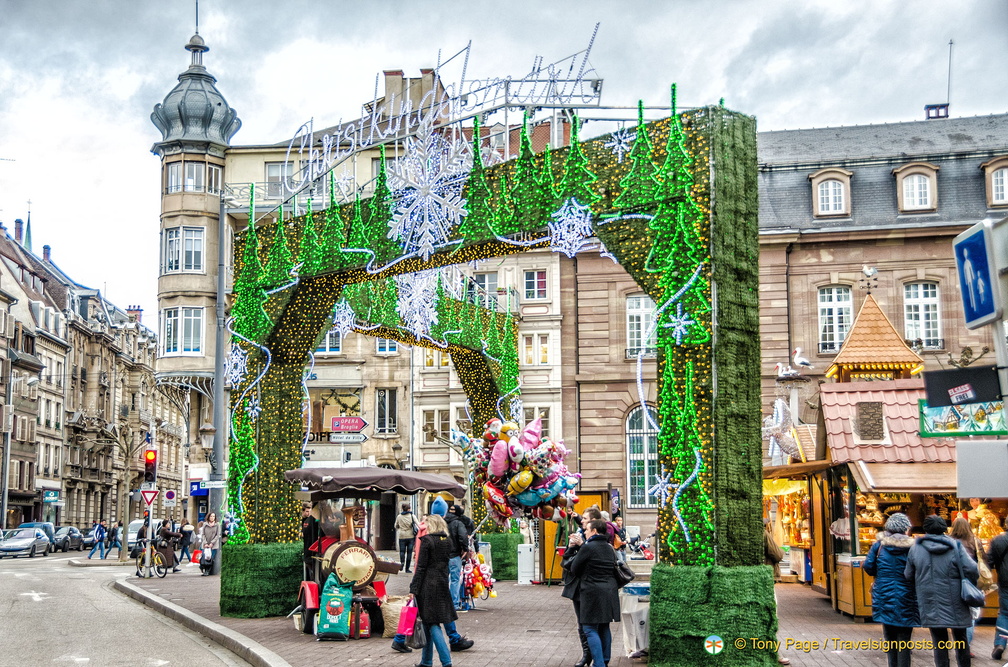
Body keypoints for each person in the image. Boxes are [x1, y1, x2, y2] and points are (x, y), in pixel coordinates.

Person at [905, 514, 977, 667]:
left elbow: (908, 574)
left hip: (929, 599)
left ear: (926, 528)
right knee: (961, 638)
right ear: (944, 528)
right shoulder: (955, 546)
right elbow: (971, 569)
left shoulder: (916, 547)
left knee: (939, 640)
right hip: (956, 598)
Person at [863, 513, 919, 667]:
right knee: (905, 636)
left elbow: (868, 566)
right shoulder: (913, 546)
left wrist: (881, 574)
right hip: (907, 593)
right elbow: (918, 569)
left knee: (889, 633)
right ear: (905, 529)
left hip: (884, 592)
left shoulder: (879, 545)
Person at [569, 518, 620, 667]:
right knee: (604, 626)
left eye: (587, 529)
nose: (585, 531)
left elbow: (574, 568)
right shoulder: (609, 547)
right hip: (609, 590)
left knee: (589, 627)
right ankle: (604, 660)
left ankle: (598, 663)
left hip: (592, 591)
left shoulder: (588, 547)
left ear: (594, 531)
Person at [409, 513, 457, 667]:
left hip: (427, 586)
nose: (426, 527)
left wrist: (413, 588)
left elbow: (421, 567)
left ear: (433, 525)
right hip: (442, 584)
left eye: (428, 524)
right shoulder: (447, 541)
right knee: (427, 623)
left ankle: (446, 661)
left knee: (433, 624)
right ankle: (426, 661)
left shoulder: (427, 541)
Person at [562, 513, 593, 667]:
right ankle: (586, 654)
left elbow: (592, 557)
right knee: (581, 622)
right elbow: (566, 562)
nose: (581, 521)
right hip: (576, 586)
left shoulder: (596, 537)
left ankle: (597, 655)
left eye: (584, 519)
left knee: (592, 623)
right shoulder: (581, 535)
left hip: (590, 586)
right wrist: (571, 547)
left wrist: (581, 545)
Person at [950, 517, 983, 651]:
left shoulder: (949, 541)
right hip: (970, 581)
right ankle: (965, 647)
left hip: (952, 580)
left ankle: (958, 643)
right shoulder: (975, 541)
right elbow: (983, 559)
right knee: (970, 614)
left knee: (954, 612)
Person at [986, 516, 1008, 661]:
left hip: (1005, 581)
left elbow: (989, 561)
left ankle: (1000, 643)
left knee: (1005, 613)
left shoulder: (997, 540)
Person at [441, 499, 469, 611]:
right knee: (455, 580)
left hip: (441, 555)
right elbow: (463, 537)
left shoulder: (442, 522)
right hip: (454, 555)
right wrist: (465, 549)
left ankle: (442, 604)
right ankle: (454, 604)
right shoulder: (458, 523)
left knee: (442, 579)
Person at [394, 502, 418, 573]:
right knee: (409, 553)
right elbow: (417, 524)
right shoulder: (412, 516)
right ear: (408, 509)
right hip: (410, 536)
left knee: (402, 551)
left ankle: (402, 564)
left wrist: (401, 527)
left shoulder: (399, 516)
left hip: (402, 536)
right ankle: (407, 569)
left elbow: (396, 526)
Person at [301, 505, 319, 577]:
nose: (308, 513)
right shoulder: (312, 521)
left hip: (308, 553)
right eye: (307, 511)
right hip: (312, 554)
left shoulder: (307, 521)